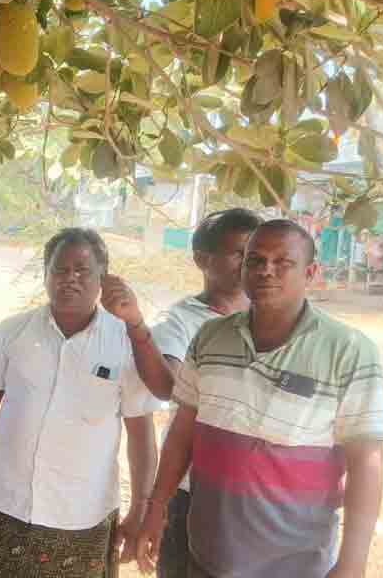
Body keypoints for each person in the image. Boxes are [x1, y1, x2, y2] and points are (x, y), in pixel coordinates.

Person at [138, 220, 383, 578]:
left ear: (311, 272)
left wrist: (352, 562)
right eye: (255, 260)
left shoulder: (348, 351)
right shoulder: (210, 338)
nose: (265, 270)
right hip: (207, 554)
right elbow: (183, 431)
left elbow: (366, 461)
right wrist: (157, 506)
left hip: (294, 565)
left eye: (282, 262)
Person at [0, 228, 161, 578]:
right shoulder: (13, 331)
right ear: (45, 274)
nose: (70, 278)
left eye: (83, 270)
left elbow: (141, 433)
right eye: (59, 269)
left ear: (103, 278)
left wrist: (140, 507)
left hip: (83, 520)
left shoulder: (124, 343)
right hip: (9, 508)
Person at [139, 209, 261, 578]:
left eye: (253, 253)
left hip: (261, 495)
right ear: (202, 260)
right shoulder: (182, 321)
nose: (249, 263)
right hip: (193, 490)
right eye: (238, 252)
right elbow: (170, 387)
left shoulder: (272, 318)